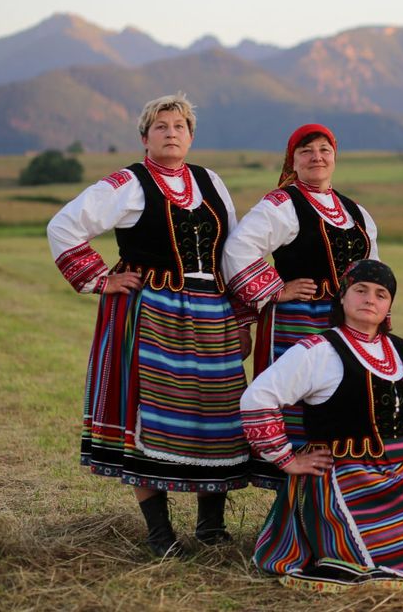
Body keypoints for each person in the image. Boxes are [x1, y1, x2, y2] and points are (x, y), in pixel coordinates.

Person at [47, 93, 251, 557]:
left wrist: (241, 316)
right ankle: (161, 535)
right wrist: (101, 278)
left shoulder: (211, 181)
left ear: (191, 135)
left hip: (212, 312)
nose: (171, 132)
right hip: (152, 313)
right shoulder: (128, 183)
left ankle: (211, 528)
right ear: (145, 136)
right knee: (147, 416)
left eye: (179, 125)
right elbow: (63, 225)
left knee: (216, 414)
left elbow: (233, 252)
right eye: (161, 126)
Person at [239, 260, 403, 590]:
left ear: (389, 305)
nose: (370, 299)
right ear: (343, 298)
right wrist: (287, 459)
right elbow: (257, 398)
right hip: (344, 466)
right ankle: (399, 564)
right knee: (361, 506)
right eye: (360, 290)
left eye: (380, 294)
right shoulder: (317, 350)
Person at [223, 123, 378, 489]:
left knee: (344, 397)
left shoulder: (355, 211)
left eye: (324, 149)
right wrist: (276, 289)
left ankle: (336, 491)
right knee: (298, 398)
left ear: (334, 157)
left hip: (346, 323)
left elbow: (374, 268)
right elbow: (238, 250)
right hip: (297, 321)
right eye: (306, 150)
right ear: (293, 160)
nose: (316, 157)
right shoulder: (281, 203)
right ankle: (291, 496)